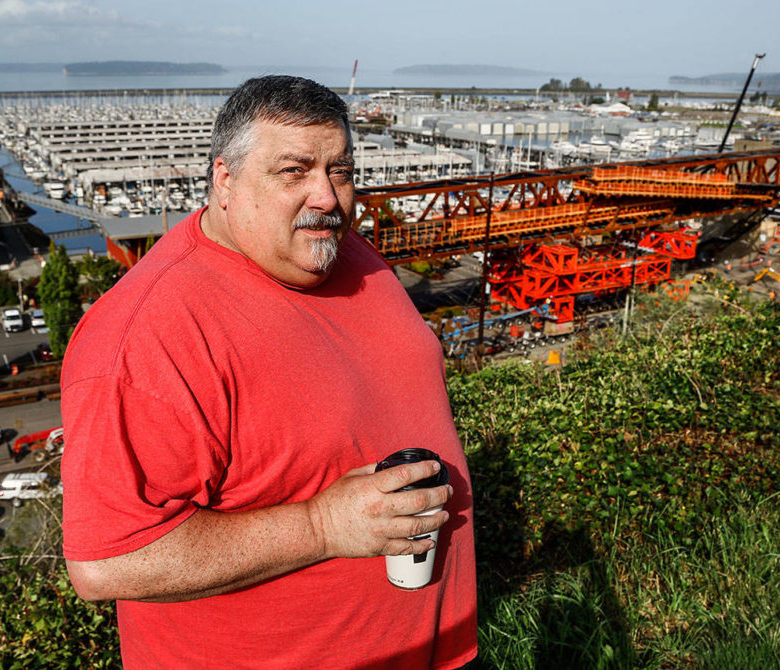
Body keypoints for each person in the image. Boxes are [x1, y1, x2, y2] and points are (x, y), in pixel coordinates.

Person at [60, 76, 478, 669]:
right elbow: (108, 562)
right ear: (224, 180)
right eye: (294, 171)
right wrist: (323, 525)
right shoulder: (150, 335)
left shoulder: (344, 251)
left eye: (340, 170)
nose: (328, 197)